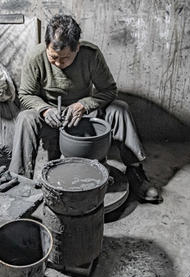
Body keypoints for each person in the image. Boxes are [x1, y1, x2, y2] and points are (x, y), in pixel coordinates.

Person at [9, 14, 162, 203]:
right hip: (51, 113)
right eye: (53, 57)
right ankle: (19, 183)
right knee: (25, 118)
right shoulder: (35, 57)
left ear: (77, 48)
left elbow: (109, 90)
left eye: (64, 59)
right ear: (46, 45)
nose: (58, 63)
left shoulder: (91, 55)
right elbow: (25, 95)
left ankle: (135, 172)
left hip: (83, 112)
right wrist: (44, 110)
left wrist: (85, 105)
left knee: (120, 109)